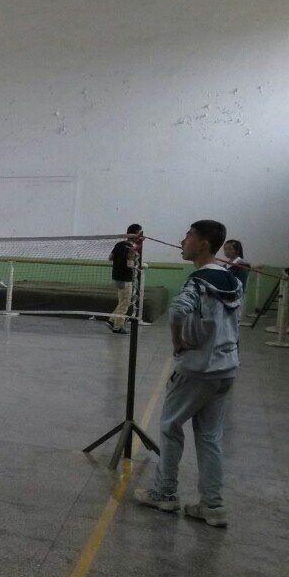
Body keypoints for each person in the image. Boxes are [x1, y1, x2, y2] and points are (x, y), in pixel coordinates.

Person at [134, 220, 242, 528]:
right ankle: (213, 505)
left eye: (189, 236)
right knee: (209, 436)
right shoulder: (232, 279)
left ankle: (164, 493)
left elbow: (178, 309)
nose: (182, 241)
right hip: (226, 367)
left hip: (198, 369)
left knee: (170, 427)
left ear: (204, 244)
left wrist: (177, 340)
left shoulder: (198, 279)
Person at [107, 223, 143, 335]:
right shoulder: (131, 248)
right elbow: (130, 264)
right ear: (136, 233)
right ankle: (118, 327)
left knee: (122, 301)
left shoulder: (119, 244)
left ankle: (111, 321)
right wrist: (136, 259)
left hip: (116, 278)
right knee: (125, 303)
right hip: (125, 279)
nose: (141, 235)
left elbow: (110, 257)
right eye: (140, 233)